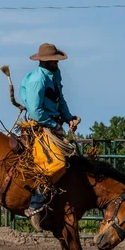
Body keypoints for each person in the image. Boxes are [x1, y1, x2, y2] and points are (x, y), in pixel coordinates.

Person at [20, 43, 79, 231]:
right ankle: (35, 205)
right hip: (43, 125)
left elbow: (60, 99)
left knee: (73, 162)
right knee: (56, 164)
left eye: (56, 59)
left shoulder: (54, 75)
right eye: (53, 60)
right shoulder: (37, 80)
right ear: (45, 61)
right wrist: (55, 125)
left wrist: (68, 117)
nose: (56, 62)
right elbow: (36, 112)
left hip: (54, 122)